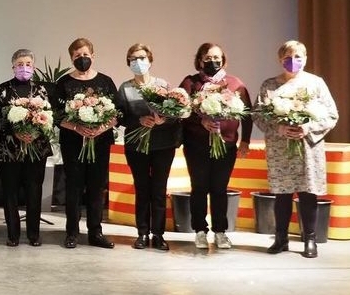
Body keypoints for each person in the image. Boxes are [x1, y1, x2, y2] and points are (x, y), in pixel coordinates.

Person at [254, 40, 339, 258]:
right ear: (280, 60)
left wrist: (308, 127)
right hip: (280, 148)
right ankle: (280, 238)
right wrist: (279, 128)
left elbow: (331, 114)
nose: (293, 61)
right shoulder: (269, 86)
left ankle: (310, 240)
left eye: (298, 57)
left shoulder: (316, 83)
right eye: (288, 58)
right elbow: (259, 115)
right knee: (282, 194)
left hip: (308, 147)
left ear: (306, 58)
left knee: (307, 193)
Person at [179, 42, 253, 250]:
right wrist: (200, 120)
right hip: (196, 146)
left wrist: (245, 140)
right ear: (200, 60)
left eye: (216, 58)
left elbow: (247, 114)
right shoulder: (191, 82)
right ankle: (200, 231)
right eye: (208, 58)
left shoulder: (235, 83)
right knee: (199, 188)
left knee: (220, 189)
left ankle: (220, 232)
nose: (212, 61)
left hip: (225, 145)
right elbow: (181, 111)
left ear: (223, 60)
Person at [52, 37, 118, 249]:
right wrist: (77, 128)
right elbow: (56, 115)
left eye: (85, 55)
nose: (82, 58)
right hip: (72, 144)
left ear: (93, 56)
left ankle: (95, 232)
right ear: (71, 58)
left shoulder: (105, 82)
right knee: (74, 187)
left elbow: (117, 113)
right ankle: (72, 232)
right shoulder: (64, 83)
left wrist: (101, 128)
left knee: (96, 188)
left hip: (100, 143)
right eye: (77, 56)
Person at [115, 43, 181, 251]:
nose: (138, 62)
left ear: (150, 60)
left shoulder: (163, 85)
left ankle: (159, 234)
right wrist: (138, 121)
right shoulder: (125, 88)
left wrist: (163, 120)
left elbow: (175, 113)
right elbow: (119, 117)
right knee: (142, 189)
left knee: (159, 190)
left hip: (163, 145)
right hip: (136, 146)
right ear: (128, 63)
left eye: (142, 58)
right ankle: (142, 233)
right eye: (133, 59)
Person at [0, 49, 52, 247]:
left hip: (36, 150)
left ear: (33, 67)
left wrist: (35, 131)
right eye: (20, 64)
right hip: (9, 151)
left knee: (34, 191)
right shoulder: (3, 89)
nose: (24, 68)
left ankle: (34, 234)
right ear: (13, 67)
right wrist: (14, 131)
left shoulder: (41, 90)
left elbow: (49, 117)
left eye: (28, 64)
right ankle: (13, 234)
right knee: (10, 192)